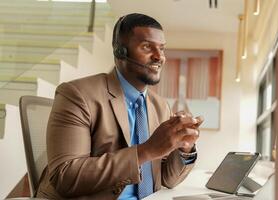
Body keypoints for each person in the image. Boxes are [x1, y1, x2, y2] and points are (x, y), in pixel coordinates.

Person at [37, 13, 203, 200]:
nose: (159, 57)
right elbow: (66, 177)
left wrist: (184, 147)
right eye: (147, 47)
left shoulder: (160, 106)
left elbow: (167, 179)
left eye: (162, 49)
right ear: (120, 52)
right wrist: (147, 150)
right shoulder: (77, 95)